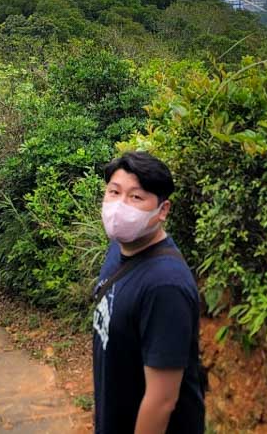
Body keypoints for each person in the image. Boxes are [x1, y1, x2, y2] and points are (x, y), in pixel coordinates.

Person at [92, 151, 204, 434]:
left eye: (136, 197)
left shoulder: (165, 285)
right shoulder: (119, 250)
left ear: (162, 211)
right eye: (114, 192)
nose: (120, 206)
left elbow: (161, 400)